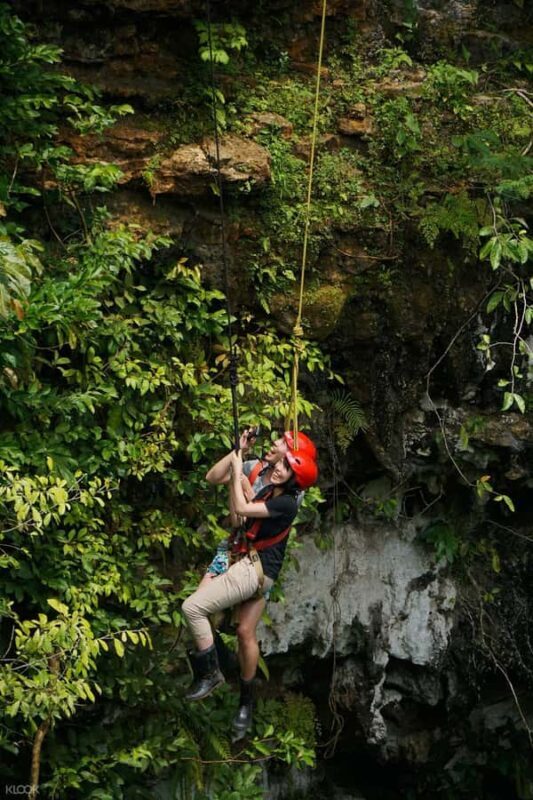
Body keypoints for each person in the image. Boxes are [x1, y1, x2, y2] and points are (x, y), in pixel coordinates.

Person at [182, 447, 318, 738]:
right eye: (279, 457)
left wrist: (239, 478)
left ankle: (244, 699)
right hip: (234, 550)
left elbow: (243, 509)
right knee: (200, 613)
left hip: (258, 563)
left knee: (244, 631)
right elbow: (216, 482)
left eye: (284, 451)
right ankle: (218, 666)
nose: (276, 454)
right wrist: (236, 456)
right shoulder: (257, 470)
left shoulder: (288, 497)